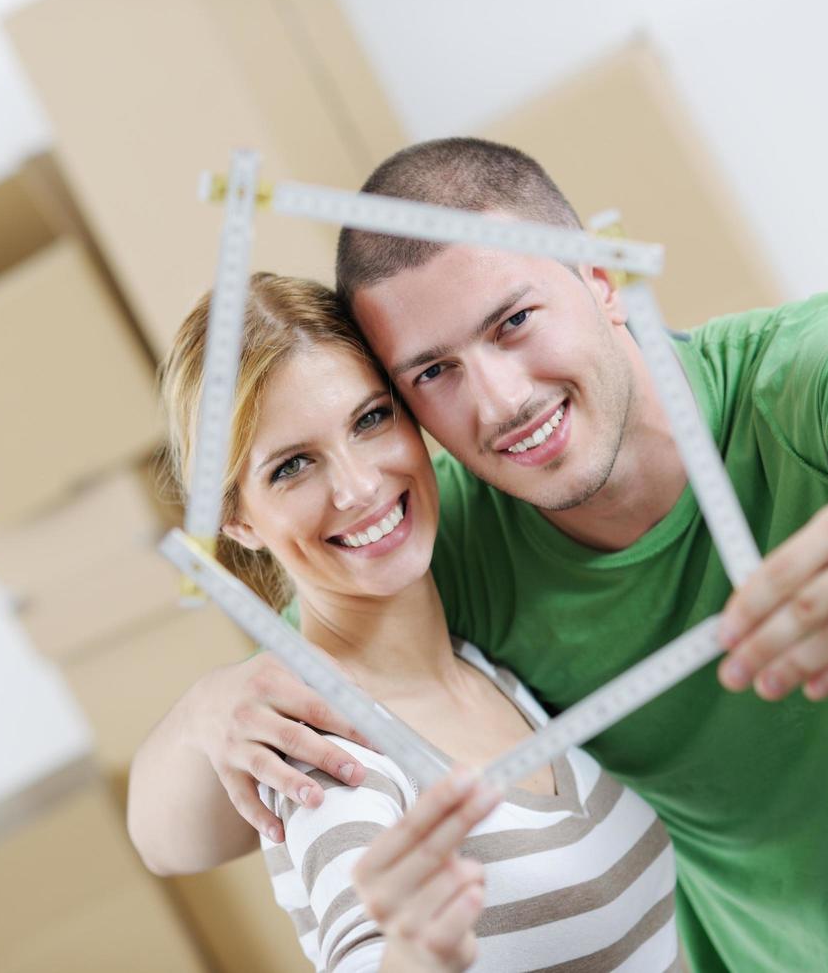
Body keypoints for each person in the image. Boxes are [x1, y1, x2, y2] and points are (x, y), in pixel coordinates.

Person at [128, 138, 828, 972]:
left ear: (601, 278)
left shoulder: (800, 371)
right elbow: (171, 837)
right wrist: (206, 711)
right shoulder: (428, 546)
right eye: (433, 371)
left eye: (514, 322)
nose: (502, 401)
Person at [151, 274, 679, 971]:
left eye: (370, 420)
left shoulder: (482, 668)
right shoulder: (327, 751)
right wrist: (415, 953)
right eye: (293, 466)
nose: (359, 486)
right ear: (238, 520)